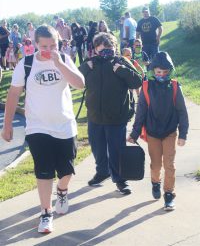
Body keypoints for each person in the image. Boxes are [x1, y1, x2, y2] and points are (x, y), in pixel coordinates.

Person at [1, 25, 85, 233]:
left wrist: (58, 63)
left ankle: (62, 190)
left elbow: (80, 84)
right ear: (36, 45)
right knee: (44, 171)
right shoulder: (26, 64)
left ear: (59, 43)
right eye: (44, 45)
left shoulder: (64, 59)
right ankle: (46, 213)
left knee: (66, 170)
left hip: (65, 126)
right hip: (38, 127)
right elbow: (13, 95)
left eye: (53, 45)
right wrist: (8, 124)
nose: (49, 49)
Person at [79, 32, 142, 195]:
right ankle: (103, 172)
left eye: (110, 48)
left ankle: (120, 179)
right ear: (96, 49)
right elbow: (76, 81)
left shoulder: (121, 62)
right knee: (97, 148)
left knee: (116, 149)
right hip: (95, 116)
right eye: (102, 48)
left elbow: (137, 81)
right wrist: (86, 68)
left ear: (115, 48)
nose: (106, 51)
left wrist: (122, 71)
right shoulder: (90, 63)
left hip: (116, 116)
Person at [127, 52, 189, 211]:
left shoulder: (175, 86)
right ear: (153, 71)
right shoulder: (146, 87)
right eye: (158, 72)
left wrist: (183, 134)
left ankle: (169, 195)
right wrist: (134, 134)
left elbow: (182, 111)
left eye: (165, 72)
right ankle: (155, 182)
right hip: (153, 133)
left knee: (169, 164)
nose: (161, 75)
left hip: (170, 131)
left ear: (170, 71)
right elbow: (140, 112)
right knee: (156, 165)